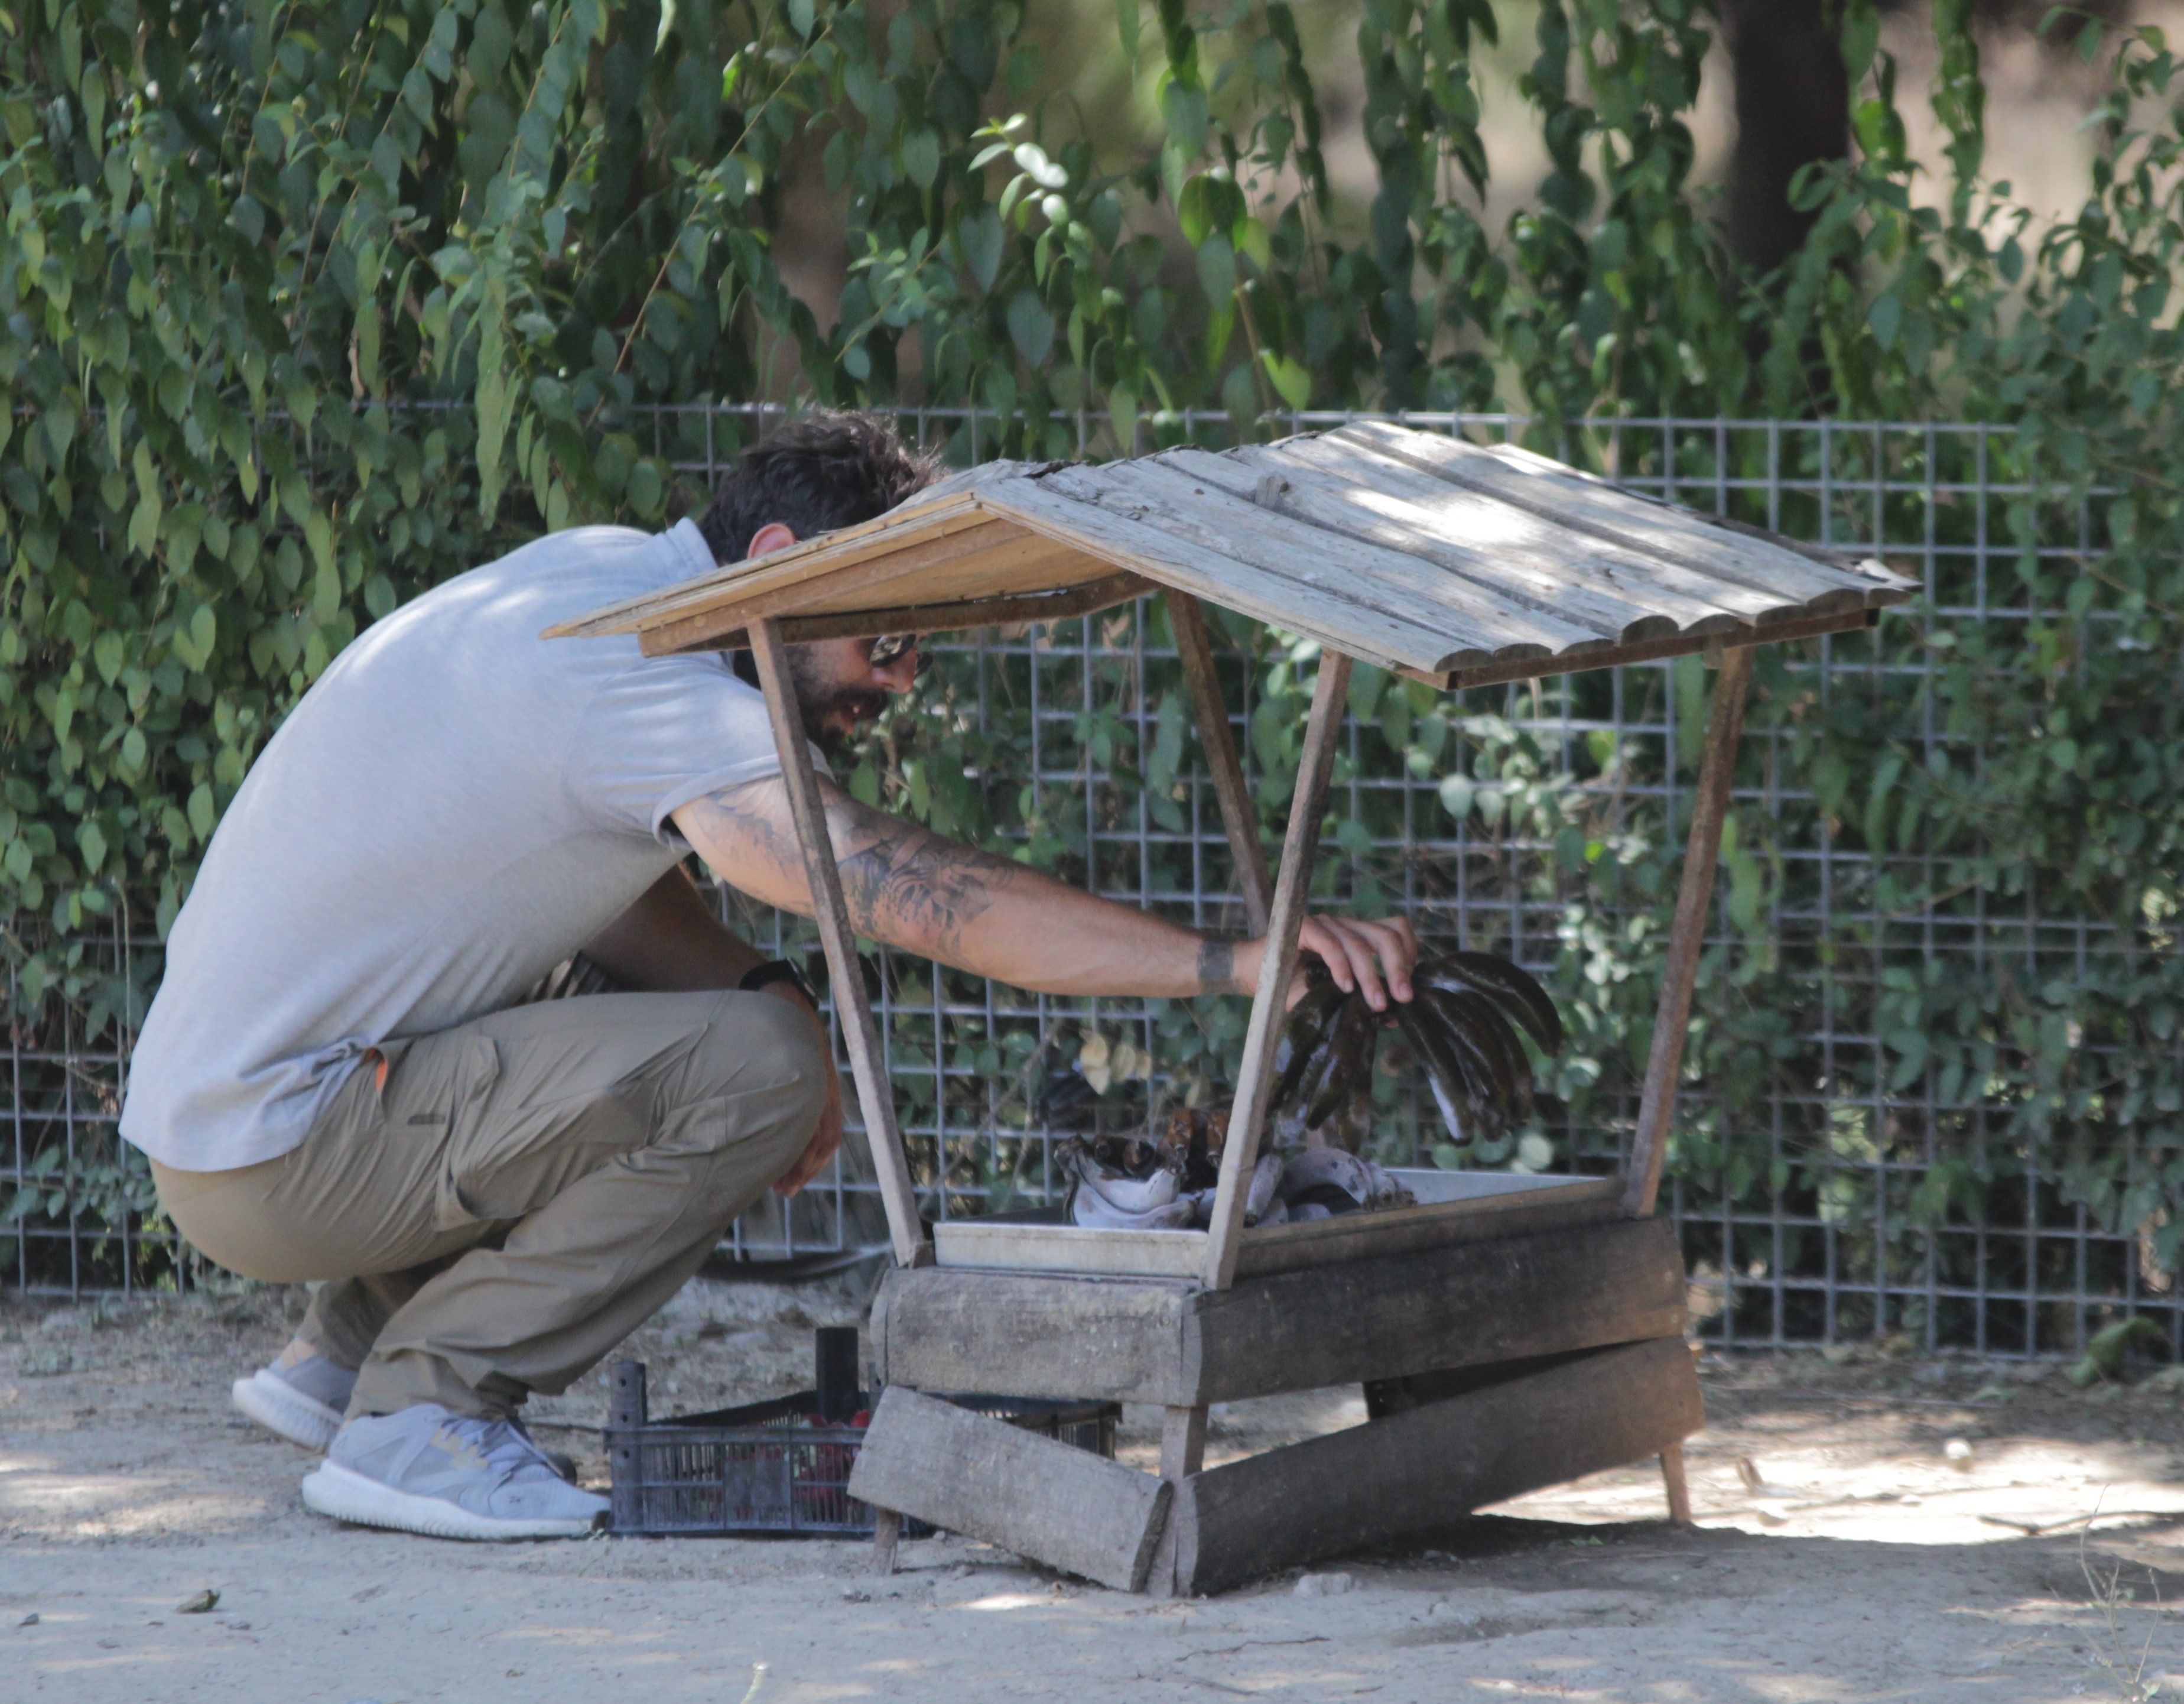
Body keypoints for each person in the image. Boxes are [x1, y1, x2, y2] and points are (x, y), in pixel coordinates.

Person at [119, 411, 1416, 1542]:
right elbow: (910, 895)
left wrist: (770, 982)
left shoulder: (598, 582)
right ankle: (422, 1412)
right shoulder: (651, 685)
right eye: (885, 638)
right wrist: (1235, 962)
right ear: (780, 568)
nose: (898, 683)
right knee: (758, 1072)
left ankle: (340, 1358)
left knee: (731, 1021)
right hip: (280, 1152)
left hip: (241, 1128)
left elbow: (604, 887)